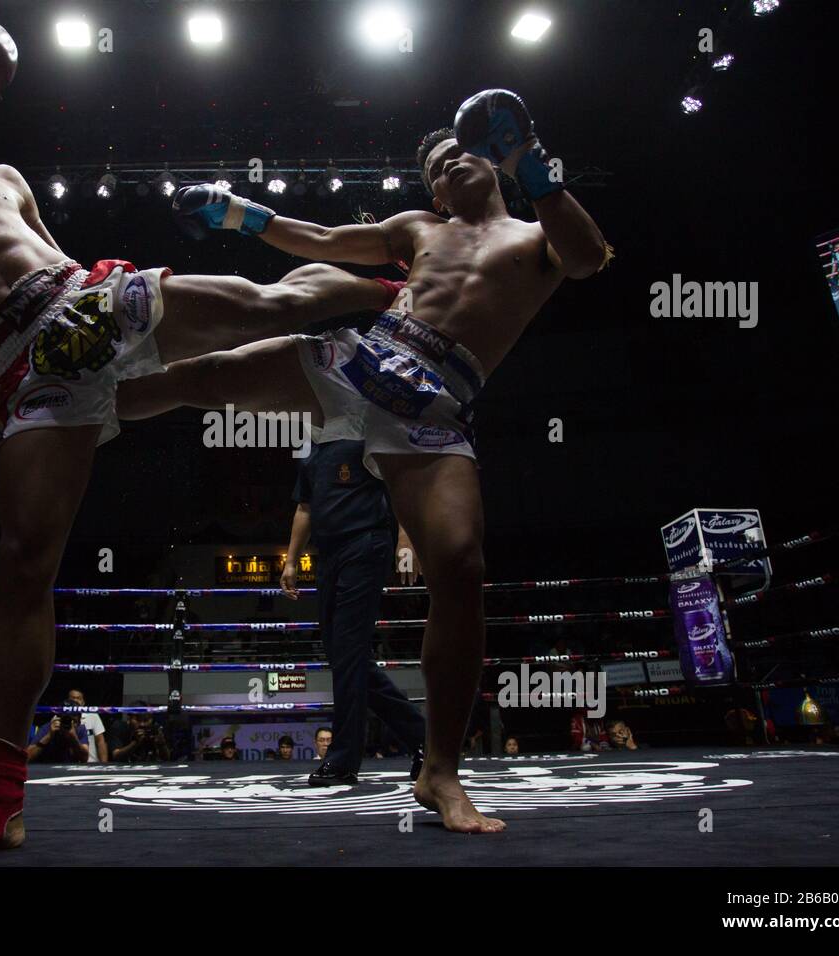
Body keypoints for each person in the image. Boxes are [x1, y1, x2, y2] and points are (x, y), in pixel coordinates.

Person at [0, 13, 398, 861]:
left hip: (83, 304)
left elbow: (57, 259)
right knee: (23, 564)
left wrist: (105, 327)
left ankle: (399, 295)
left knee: (267, 308)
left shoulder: (5, 178)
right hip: (23, 368)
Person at [118, 89, 609, 832]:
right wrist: (235, 210)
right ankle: (83, 405)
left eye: (461, 154)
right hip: (363, 361)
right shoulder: (418, 229)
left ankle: (439, 771)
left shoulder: (539, 233)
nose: (449, 169)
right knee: (207, 378)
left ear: (492, 159)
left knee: (460, 565)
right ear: (434, 192)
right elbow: (319, 238)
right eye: (437, 168)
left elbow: (589, 258)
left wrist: (533, 163)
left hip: (435, 406)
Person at [282, 439, 427, 786]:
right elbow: (305, 508)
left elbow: (401, 485)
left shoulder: (366, 433)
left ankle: (344, 759)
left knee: (348, 653)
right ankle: (424, 737)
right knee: (344, 656)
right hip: (329, 555)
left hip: (366, 544)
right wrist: (291, 561)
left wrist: (405, 539)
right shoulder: (311, 449)